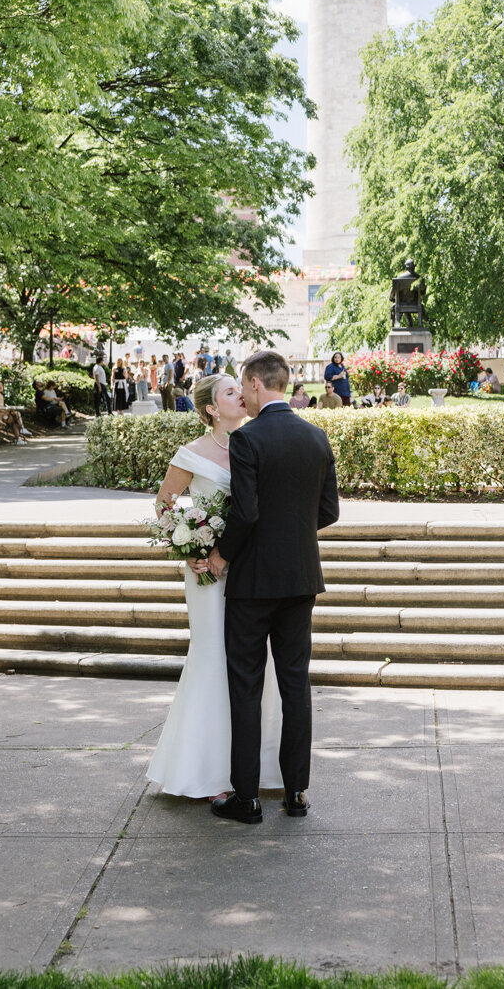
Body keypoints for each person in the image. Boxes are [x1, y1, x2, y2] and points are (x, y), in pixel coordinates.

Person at [199, 349, 340, 825]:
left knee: (247, 687)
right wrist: (292, 534)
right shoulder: (317, 436)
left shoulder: (248, 439)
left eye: (244, 384)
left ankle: (248, 799)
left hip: (254, 582)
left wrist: (220, 555)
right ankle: (297, 792)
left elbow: (245, 513)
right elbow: (328, 513)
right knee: (295, 685)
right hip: (301, 579)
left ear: (257, 384)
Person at [147, 374, 284, 800]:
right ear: (210, 408)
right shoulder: (191, 453)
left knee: (258, 662)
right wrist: (187, 542)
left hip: (253, 570)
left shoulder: (256, 441)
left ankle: (259, 768)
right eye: (230, 392)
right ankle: (207, 772)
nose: (240, 395)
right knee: (213, 658)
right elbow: (164, 503)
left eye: (240, 389)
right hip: (209, 572)